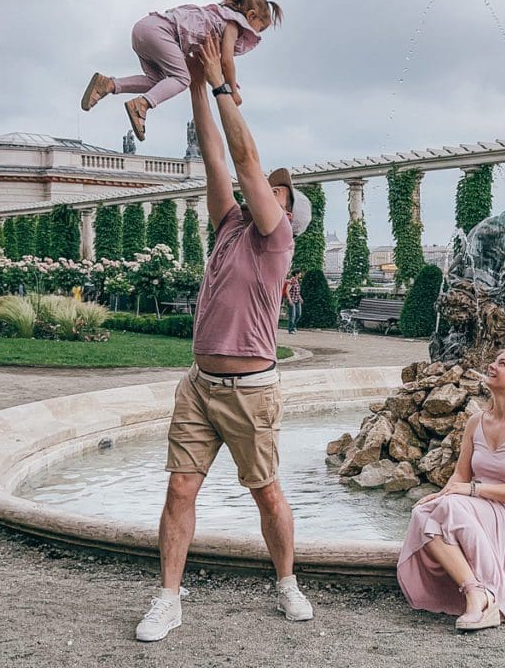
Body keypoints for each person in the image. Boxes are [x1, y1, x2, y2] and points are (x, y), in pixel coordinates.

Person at [135, 33, 313, 642]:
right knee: (180, 488)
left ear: (287, 211)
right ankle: (168, 598)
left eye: (277, 188)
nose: (267, 187)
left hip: (250, 391)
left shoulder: (277, 241)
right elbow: (217, 158)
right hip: (198, 386)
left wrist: (220, 82)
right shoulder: (228, 227)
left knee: (266, 495)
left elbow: (245, 163)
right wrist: (193, 85)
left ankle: (287, 583)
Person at [397, 346, 505, 632]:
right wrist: (441, 495)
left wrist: (470, 490)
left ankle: (490, 594)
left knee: (451, 506)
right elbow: (460, 475)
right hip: (479, 508)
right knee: (423, 513)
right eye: (494, 360)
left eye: (501, 363)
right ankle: (476, 592)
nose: (492, 365)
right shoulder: (476, 421)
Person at [81, 0, 283, 141]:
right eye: (257, 30)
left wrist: (223, 75)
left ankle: (109, 84)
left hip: (143, 29)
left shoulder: (214, 15)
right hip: (162, 33)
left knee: (158, 81)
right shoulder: (233, 24)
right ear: (250, 16)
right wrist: (232, 89)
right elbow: (227, 60)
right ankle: (142, 104)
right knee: (182, 78)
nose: (252, 35)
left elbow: (216, 59)